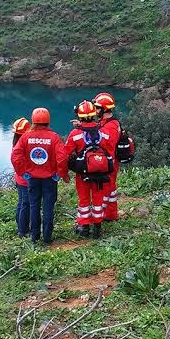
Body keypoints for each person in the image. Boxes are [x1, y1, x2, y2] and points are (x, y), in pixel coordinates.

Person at [10, 108, 69, 245]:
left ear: (33, 121)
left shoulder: (26, 137)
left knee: (34, 206)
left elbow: (15, 156)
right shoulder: (54, 137)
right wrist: (59, 174)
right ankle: (47, 238)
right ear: (48, 121)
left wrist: (23, 172)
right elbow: (62, 158)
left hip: (32, 179)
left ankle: (34, 237)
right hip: (49, 180)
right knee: (48, 207)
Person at [66, 100, 114, 239]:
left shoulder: (75, 134)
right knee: (98, 200)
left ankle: (84, 227)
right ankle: (97, 228)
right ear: (94, 114)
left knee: (84, 200)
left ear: (80, 116)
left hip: (83, 173)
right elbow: (110, 151)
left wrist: (65, 171)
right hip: (101, 173)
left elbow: (66, 153)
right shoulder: (103, 132)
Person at [93, 92, 121, 221]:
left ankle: (103, 214)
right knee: (111, 189)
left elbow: (106, 144)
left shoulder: (110, 126)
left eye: (97, 107)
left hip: (109, 162)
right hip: (111, 161)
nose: (95, 110)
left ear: (104, 109)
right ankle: (111, 214)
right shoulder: (108, 123)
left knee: (106, 189)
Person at [11, 117, 31, 237]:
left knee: (21, 203)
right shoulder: (23, 146)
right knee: (26, 204)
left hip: (19, 178)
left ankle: (20, 227)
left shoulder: (16, 144)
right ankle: (23, 231)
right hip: (26, 180)